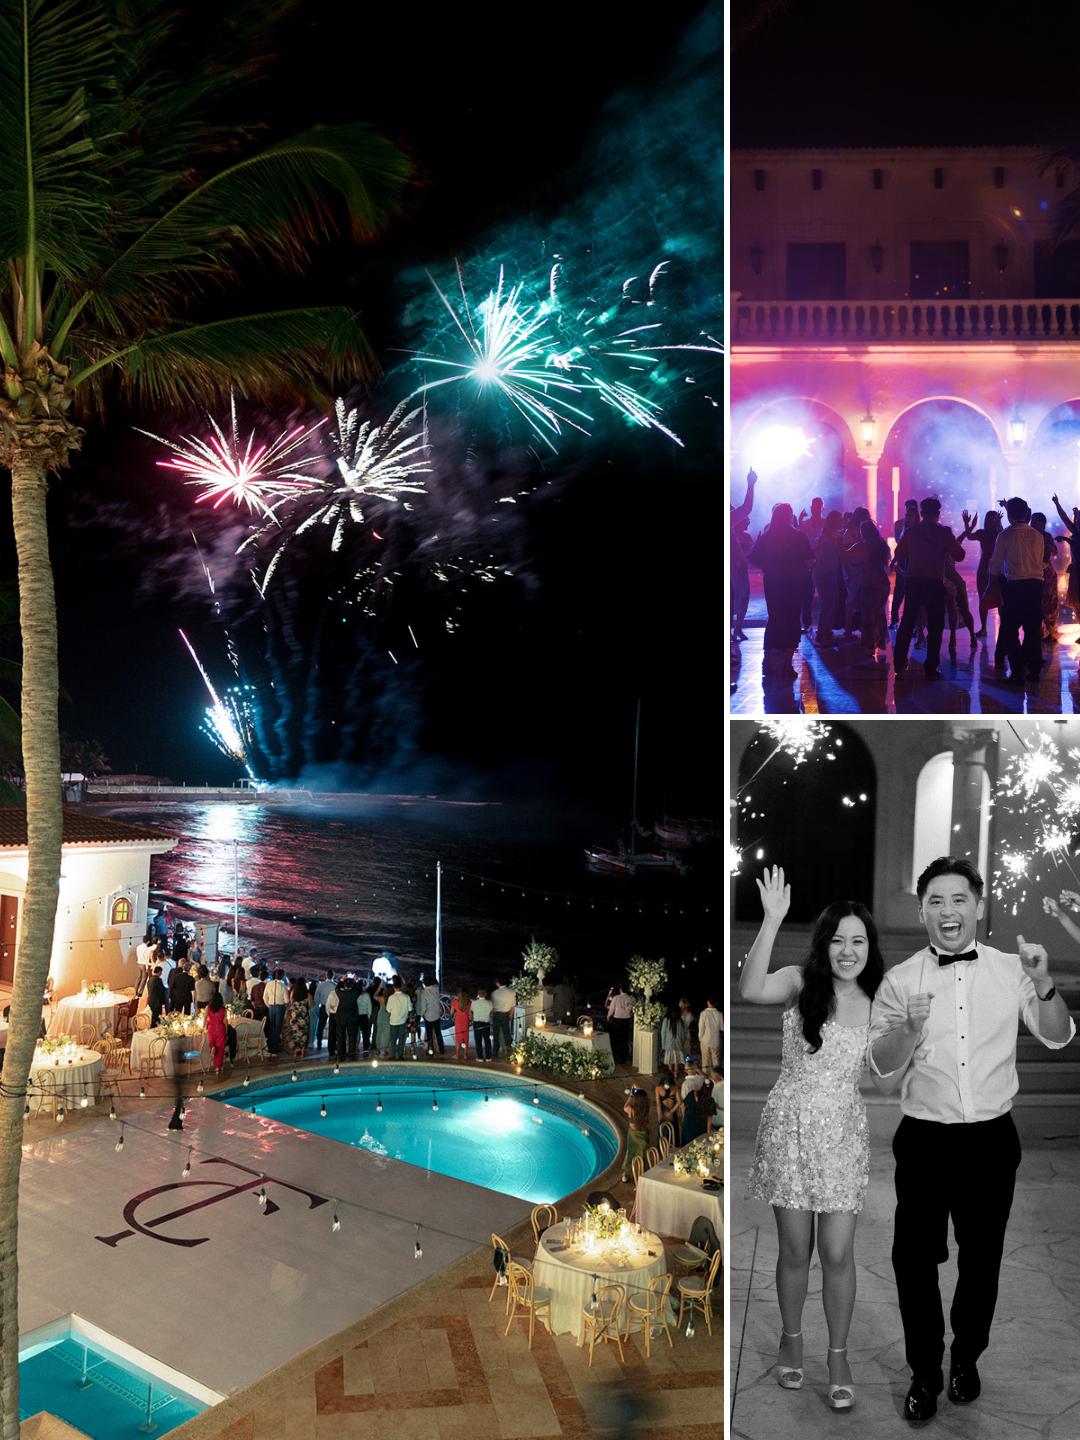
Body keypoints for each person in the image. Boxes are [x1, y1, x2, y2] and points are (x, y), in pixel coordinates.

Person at [868, 855, 1074, 1424]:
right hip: (924, 1141)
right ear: (922, 911)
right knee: (914, 1263)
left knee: (981, 1262)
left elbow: (1057, 1037)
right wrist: (909, 1028)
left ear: (977, 907)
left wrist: (1043, 983)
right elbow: (882, 1066)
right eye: (935, 901)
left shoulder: (1013, 969)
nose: (947, 911)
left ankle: (966, 1360)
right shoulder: (900, 979)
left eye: (959, 899)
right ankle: (925, 1373)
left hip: (990, 1140)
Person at [741, 865, 884, 1413]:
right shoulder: (801, 984)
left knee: (839, 1251)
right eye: (838, 940)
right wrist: (772, 920)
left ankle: (839, 1355)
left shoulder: (880, 999)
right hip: (790, 1129)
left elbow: (887, 1066)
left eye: (859, 940)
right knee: (796, 1250)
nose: (848, 951)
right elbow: (751, 988)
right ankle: (792, 1339)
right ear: (824, 944)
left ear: (869, 947)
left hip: (843, 1135)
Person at [893, 496, 965, 679]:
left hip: (914, 582)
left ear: (922, 514)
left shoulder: (911, 532)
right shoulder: (944, 533)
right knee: (935, 627)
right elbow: (960, 555)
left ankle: (899, 664)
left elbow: (898, 553)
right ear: (938, 514)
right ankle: (931, 667)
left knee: (907, 623)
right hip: (934, 583)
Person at [749, 503, 814, 680]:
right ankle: (786, 664)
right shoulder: (799, 537)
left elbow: (753, 557)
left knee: (775, 619)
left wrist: (767, 567)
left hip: (773, 582)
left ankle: (769, 661)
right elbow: (810, 558)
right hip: (794, 582)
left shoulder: (767, 536)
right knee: (792, 619)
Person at [988, 496, 1045, 685]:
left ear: (1010, 514)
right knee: (1033, 629)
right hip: (1036, 586)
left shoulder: (1005, 535)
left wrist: (991, 584)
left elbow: (995, 564)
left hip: (1015, 586)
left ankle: (1018, 671)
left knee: (1009, 629)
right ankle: (1034, 670)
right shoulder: (1037, 535)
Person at [961, 508, 1003, 638]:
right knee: (985, 598)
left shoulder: (999, 534)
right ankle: (984, 628)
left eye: (993, 519)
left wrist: (999, 524)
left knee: (999, 599)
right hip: (986, 570)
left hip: (994, 570)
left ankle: (993, 628)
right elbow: (969, 536)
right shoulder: (984, 533)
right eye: (990, 519)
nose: (990, 522)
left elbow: (969, 536)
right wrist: (967, 524)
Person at [812, 511, 845, 646]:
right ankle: (821, 634)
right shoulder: (826, 536)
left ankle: (826, 631)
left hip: (830, 573)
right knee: (828, 604)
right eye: (839, 519)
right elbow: (821, 554)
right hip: (824, 573)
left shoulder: (833, 535)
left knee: (833, 603)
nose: (841, 522)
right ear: (834, 521)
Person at [1051, 493, 1079, 639]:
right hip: (1076, 571)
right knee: (1077, 602)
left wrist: (1066, 539)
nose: (1075, 521)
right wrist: (1057, 504)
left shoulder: (1076, 535)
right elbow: (1064, 518)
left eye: (1078, 520)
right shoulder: (1075, 531)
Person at [1030, 511, 1060, 642]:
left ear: (1042, 523)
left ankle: (1051, 633)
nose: (1032, 524)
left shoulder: (1046, 536)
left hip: (1046, 574)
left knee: (1048, 603)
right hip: (1034, 573)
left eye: (1035, 521)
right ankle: (1042, 631)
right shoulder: (1029, 535)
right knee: (1037, 603)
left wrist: (1049, 547)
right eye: (1032, 521)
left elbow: (1054, 552)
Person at [891, 499, 920, 627]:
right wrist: (895, 560)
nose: (909, 511)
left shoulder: (921, 527)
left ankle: (912, 622)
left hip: (915, 560)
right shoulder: (899, 525)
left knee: (912, 591)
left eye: (912, 509)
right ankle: (894, 619)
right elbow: (899, 543)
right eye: (908, 508)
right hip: (904, 559)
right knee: (899, 590)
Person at [621, 1086, 650, 1184]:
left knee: (630, 1153)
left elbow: (625, 1106)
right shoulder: (646, 1109)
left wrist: (631, 1095)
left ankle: (626, 1174)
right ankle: (640, 1175)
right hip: (643, 1134)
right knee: (641, 1154)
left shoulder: (631, 1109)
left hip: (633, 1135)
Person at [605, 983, 633, 1065]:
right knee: (624, 1040)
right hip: (626, 1021)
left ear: (620, 989)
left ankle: (614, 1057)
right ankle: (622, 1059)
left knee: (614, 1040)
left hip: (617, 1020)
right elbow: (631, 1010)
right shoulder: (630, 998)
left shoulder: (616, 997)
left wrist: (608, 1016)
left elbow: (612, 1009)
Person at [660, 1004, 689, 1082]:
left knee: (670, 1060)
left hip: (668, 1044)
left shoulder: (666, 1019)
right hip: (678, 1044)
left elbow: (663, 1032)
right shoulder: (680, 1021)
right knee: (676, 1060)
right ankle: (675, 1074)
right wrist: (681, 1043)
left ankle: (670, 1074)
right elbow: (683, 1034)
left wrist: (663, 1045)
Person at [335, 975, 360, 1061]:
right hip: (353, 1018)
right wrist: (355, 981)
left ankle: (341, 1055)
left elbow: (336, 988)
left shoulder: (341, 994)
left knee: (341, 1037)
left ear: (345, 985)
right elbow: (359, 989)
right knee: (352, 1037)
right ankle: (352, 1055)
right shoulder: (355, 994)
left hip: (341, 1018)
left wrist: (342, 980)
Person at [283, 978, 310, 1059]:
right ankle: (302, 1051)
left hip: (294, 1017)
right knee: (304, 1034)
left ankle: (296, 1051)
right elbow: (311, 1005)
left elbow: (290, 1004)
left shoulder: (293, 993)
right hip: (304, 1018)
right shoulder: (308, 994)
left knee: (295, 1034)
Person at [263, 969, 289, 1053]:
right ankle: (275, 1046)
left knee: (271, 1027)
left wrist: (269, 1005)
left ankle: (270, 1045)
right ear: (282, 976)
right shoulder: (283, 986)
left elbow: (264, 997)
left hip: (271, 1007)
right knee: (277, 1027)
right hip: (279, 1007)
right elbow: (287, 1000)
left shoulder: (268, 984)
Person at [490, 977, 516, 1058]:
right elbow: (513, 1005)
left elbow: (493, 1007)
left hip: (497, 1014)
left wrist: (490, 1015)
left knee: (496, 1033)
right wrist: (511, 1014)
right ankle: (510, 1049)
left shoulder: (494, 993)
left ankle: (495, 1051)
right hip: (506, 1014)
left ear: (498, 983)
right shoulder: (512, 992)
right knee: (506, 1032)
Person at [419, 974, 445, 1056]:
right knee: (438, 1033)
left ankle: (431, 1050)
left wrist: (421, 1015)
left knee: (429, 1034)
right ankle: (441, 1049)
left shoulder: (424, 993)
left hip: (428, 1016)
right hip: (437, 1014)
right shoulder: (436, 989)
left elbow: (423, 1007)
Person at [386, 977, 411, 1059]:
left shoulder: (391, 997)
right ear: (401, 987)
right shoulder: (406, 997)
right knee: (401, 1038)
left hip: (393, 1021)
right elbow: (410, 1009)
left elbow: (388, 1010)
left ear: (394, 987)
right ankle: (400, 1055)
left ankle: (392, 1055)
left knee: (392, 1039)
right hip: (403, 1021)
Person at [206, 991, 230, 1072]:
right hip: (220, 1028)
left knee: (212, 1042)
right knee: (220, 1049)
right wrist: (226, 1030)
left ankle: (212, 1047)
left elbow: (205, 1019)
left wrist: (204, 1027)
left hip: (211, 1028)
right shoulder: (223, 1009)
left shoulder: (208, 1007)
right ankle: (217, 1068)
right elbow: (225, 1021)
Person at [698, 996, 723, 1075]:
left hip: (705, 1040)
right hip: (716, 1040)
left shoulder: (703, 1013)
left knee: (705, 1061)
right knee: (716, 1061)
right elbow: (722, 1027)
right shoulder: (719, 1014)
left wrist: (700, 1038)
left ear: (708, 1002)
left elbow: (701, 1027)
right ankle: (717, 1078)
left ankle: (707, 1080)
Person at [314, 969, 335, 1049]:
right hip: (332, 1007)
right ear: (333, 976)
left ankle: (319, 1042)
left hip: (323, 1006)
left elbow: (316, 998)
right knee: (332, 1026)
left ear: (326, 975)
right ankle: (331, 1044)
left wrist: (316, 1007)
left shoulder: (321, 985)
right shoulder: (335, 985)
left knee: (321, 1025)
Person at [472, 986, 493, 1061]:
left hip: (477, 1023)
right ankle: (488, 1057)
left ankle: (480, 1057)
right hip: (486, 1023)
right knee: (487, 1041)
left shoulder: (474, 1003)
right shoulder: (489, 1003)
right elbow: (491, 1012)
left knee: (478, 1041)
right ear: (485, 994)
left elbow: (471, 1012)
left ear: (478, 994)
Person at [451, 988, 472, 1061]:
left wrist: (456, 1013)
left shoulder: (455, 1002)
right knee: (465, 1038)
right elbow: (470, 1014)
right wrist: (471, 1020)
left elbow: (451, 1013)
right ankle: (465, 1055)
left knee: (458, 1038)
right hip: (465, 1022)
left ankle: (457, 1054)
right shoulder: (469, 1003)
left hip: (458, 1022)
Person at [373, 984, 391, 1057]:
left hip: (381, 1015)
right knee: (388, 1032)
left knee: (379, 1031)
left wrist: (379, 988)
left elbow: (374, 995)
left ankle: (378, 1049)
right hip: (389, 1015)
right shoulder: (391, 998)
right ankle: (386, 1049)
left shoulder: (381, 998)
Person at [357, 978, 374, 1056]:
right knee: (365, 1034)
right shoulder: (366, 995)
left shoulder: (355, 994)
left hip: (356, 1015)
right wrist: (369, 1016)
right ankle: (365, 1049)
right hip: (364, 1016)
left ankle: (355, 1047)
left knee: (355, 1033)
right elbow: (369, 1006)